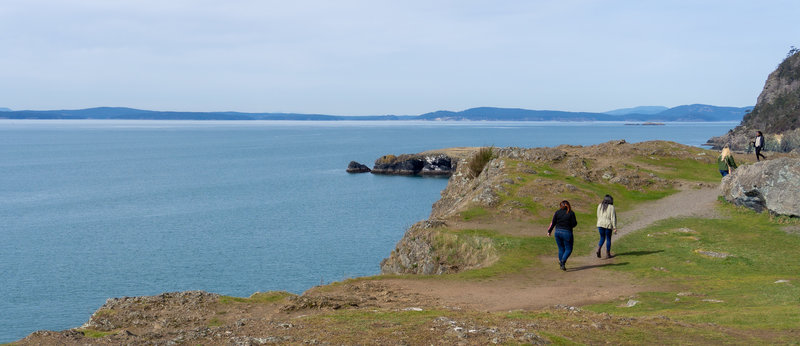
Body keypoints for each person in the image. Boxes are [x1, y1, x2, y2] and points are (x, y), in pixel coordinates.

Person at [546, 200, 578, 271]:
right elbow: (574, 224)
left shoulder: (557, 212)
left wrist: (549, 231)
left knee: (561, 248)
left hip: (557, 232)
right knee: (569, 249)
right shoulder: (571, 213)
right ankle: (563, 261)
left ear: (561, 206)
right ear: (568, 205)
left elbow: (553, 222)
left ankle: (561, 263)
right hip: (567, 233)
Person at [596, 195, 617, 259]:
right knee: (608, 239)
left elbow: (598, 215)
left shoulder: (600, 205)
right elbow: (613, 218)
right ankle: (608, 253)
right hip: (608, 225)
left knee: (602, 237)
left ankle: (599, 248)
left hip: (600, 224)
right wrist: (615, 227)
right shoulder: (611, 207)